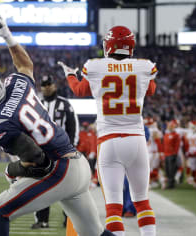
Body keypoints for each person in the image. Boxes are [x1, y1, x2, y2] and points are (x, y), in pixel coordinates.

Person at [0, 13, 113, 236]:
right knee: (95, 233)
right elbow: (25, 64)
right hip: (77, 163)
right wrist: (7, 36)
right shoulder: (16, 84)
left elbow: (39, 161)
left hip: (61, 170)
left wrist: (15, 169)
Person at [58, 25, 157, 236]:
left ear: (108, 45)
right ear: (130, 46)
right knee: (142, 202)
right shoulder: (143, 66)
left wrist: (70, 75)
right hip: (136, 141)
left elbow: (78, 90)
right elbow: (151, 89)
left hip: (109, 141)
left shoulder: (95, 66)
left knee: (113, 208)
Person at [31, 75, 80, 229]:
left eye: (49, 84)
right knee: (42, 188)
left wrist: (71, 149)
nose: (46, 87)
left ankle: (69, 219)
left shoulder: (65, 105)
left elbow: (73, 127)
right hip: (42, 153)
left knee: (67, 188)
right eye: (44, 85)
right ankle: (42, 220)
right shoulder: (35, 104)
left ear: (55, 85)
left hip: (62, 152)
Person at [163, 120, 181, 189]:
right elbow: (164, 145)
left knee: (171, 170)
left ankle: (171, 184)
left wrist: (175, 153)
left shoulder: (176, 135)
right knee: (167, 169)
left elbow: (177, 145)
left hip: (172, 154)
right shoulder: (166, 135)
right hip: (166, 154)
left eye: (171, 126)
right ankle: (169, 183)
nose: (169, 127)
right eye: (169, 126)